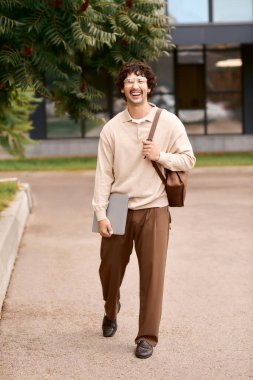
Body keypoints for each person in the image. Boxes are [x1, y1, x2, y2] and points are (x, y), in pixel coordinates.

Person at [92, 61, 196, 359]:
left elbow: (188, 160)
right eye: (129, 81)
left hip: (155, 206)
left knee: (153, 275)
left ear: (149, 87)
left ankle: (147, 336)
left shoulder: (170, 122)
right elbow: (103, 175)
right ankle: (111, 310)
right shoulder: (111, 128)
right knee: (109, 271)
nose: (135, 85)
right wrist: (101, 214)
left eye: (140, 80)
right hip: (117, 205)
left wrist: (160, 155)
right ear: (122, 89)